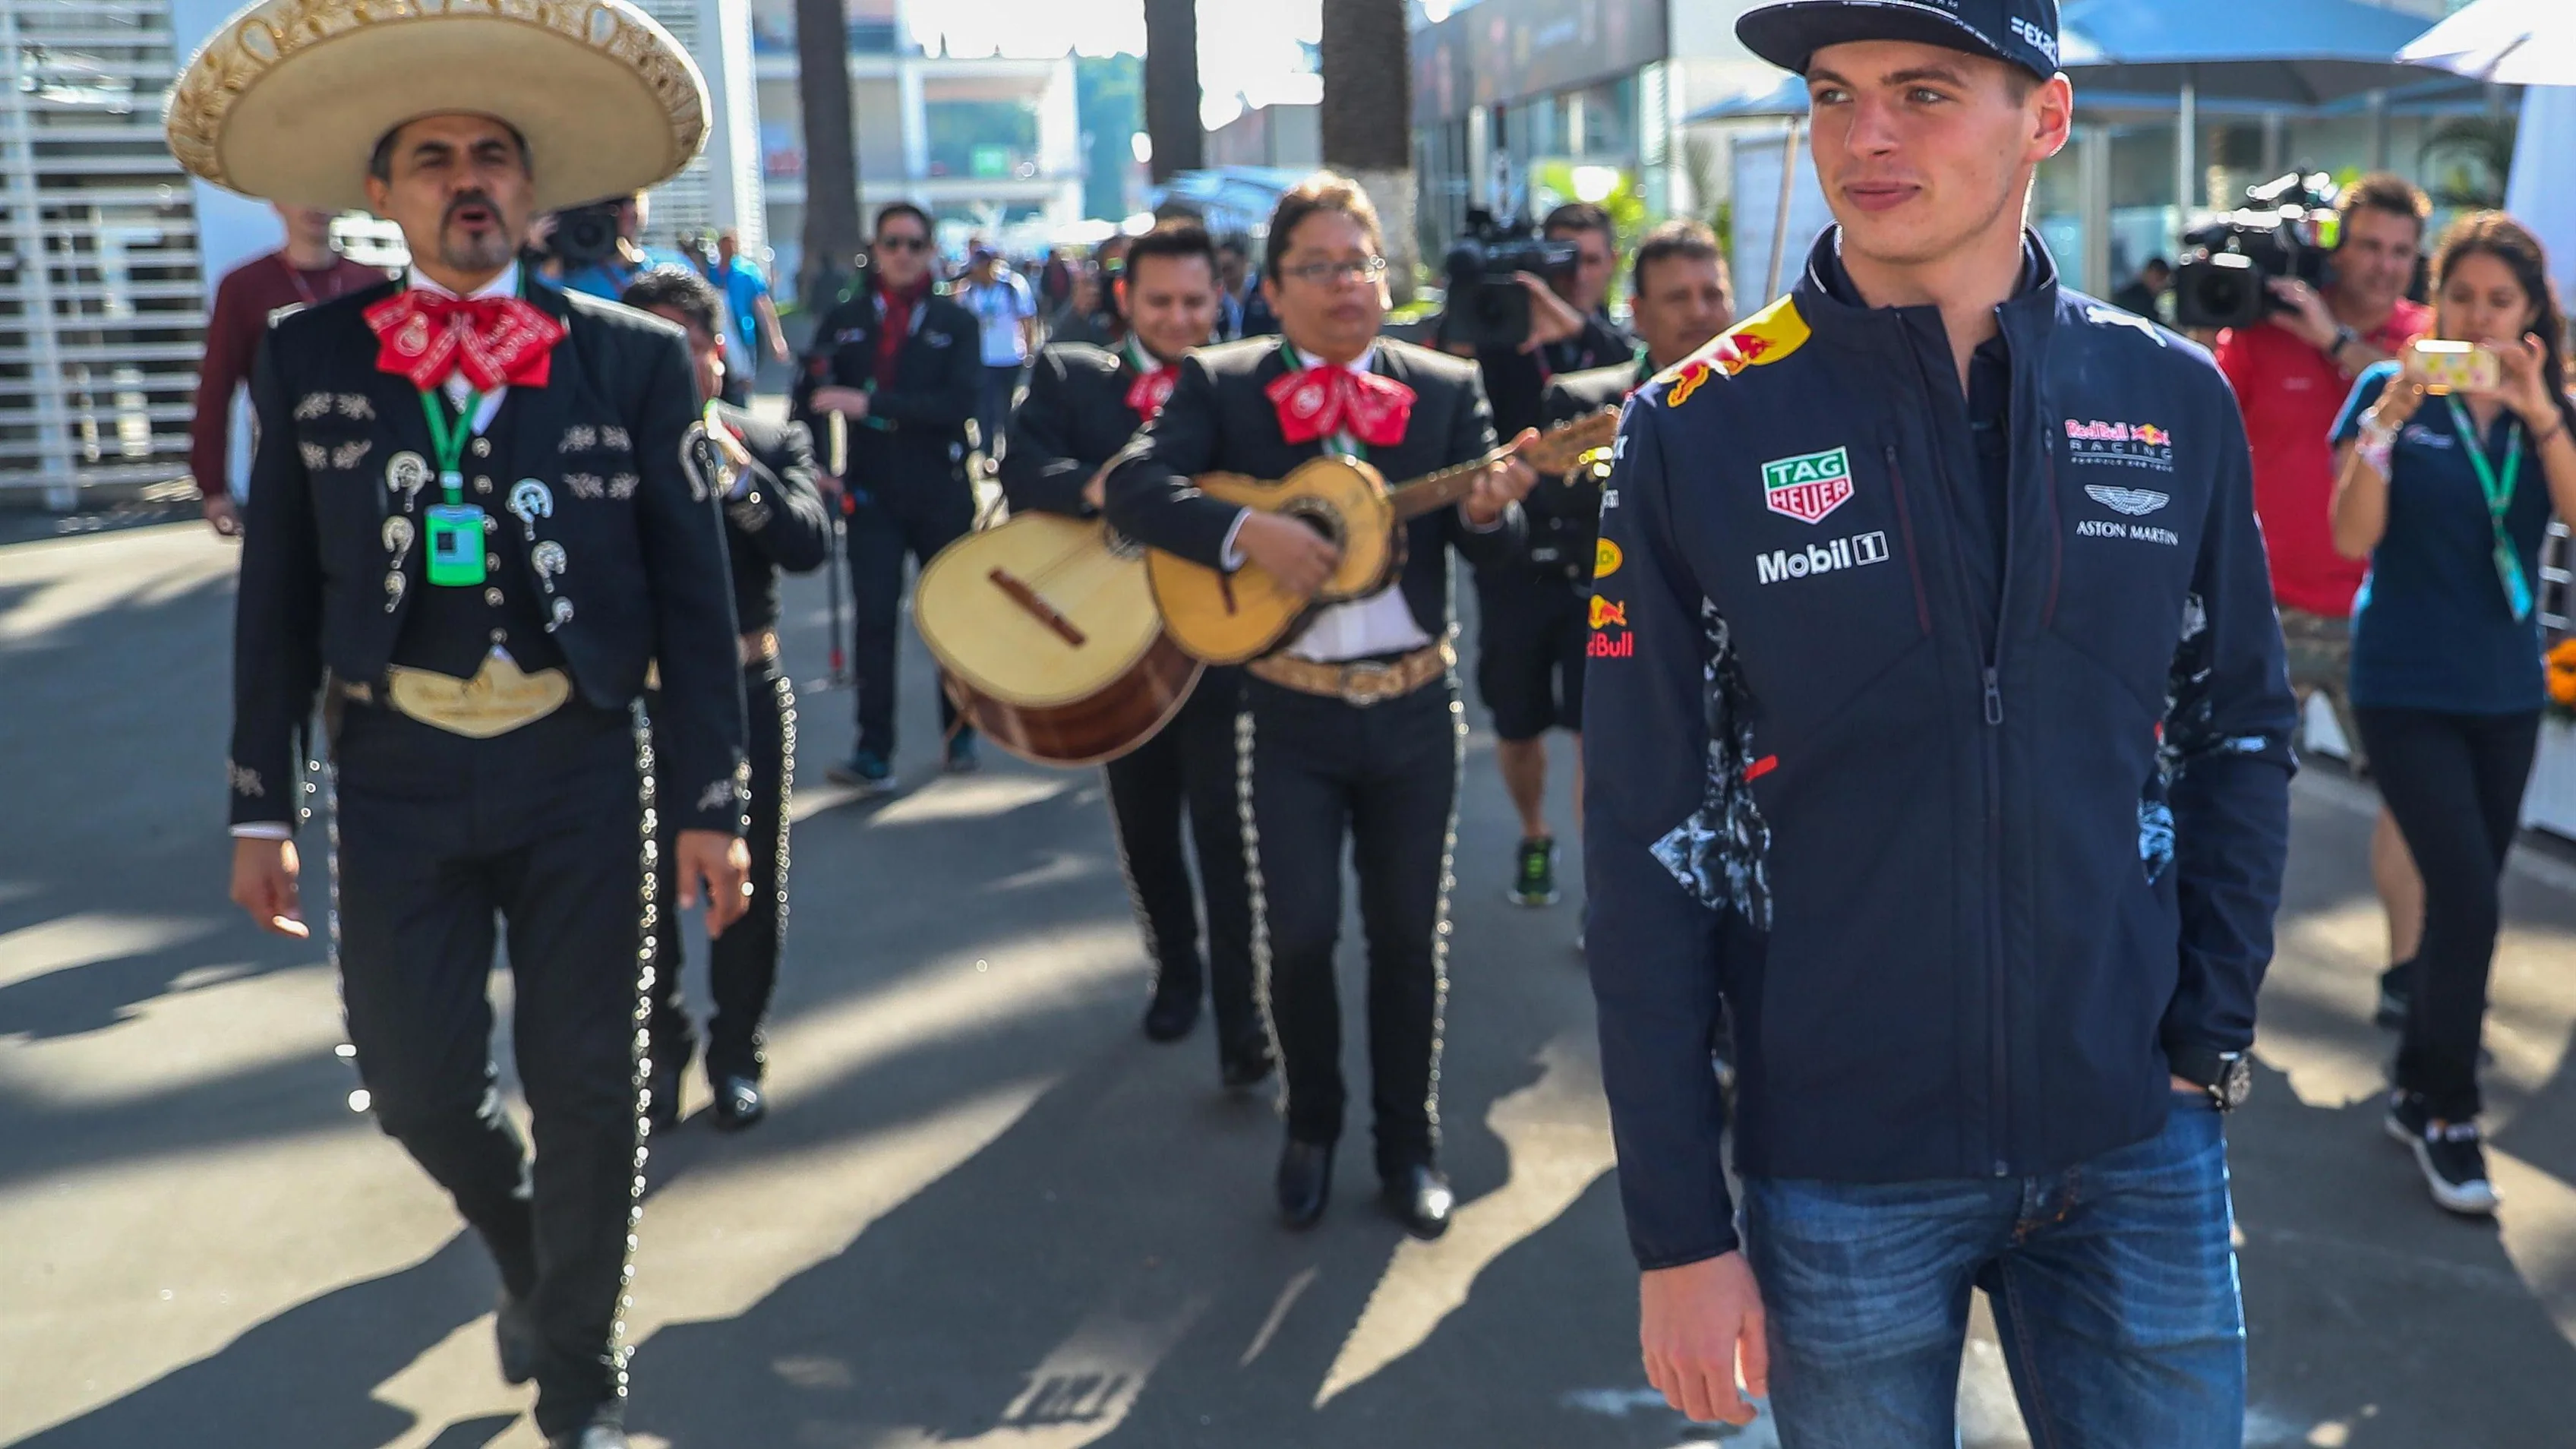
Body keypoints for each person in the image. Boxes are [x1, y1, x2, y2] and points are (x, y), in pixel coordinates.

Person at [1586, 1, 2298, 1440]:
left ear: (2043, 117)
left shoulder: (2167, 394)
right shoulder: (1694, 426)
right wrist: (1677, 1227)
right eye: (1835, 93)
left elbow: (2238, 725)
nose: (1865, 135)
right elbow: (1644, 838)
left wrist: (2200, 1035)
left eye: (1923, 90)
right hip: (1840, 1165)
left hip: (2136, 1137)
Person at [174, 1, 754, 1439]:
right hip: (395, 770)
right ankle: (521, 1247)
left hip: (578, 765)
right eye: (432, 157)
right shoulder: (313, 358)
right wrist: (262, 802)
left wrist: (713, 801)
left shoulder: (626, 354)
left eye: (492, 152)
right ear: (385, 193)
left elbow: (696, 601)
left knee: (593, 1084)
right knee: (421, 1083)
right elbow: (277, 604)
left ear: (531, 185)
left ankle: (580, 1371)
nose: (466, 176)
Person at [1105, 173, 1539, 1240]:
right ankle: (1312, 1127)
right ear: (1273, 285)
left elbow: (1495, 550)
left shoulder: (1445, 387)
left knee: (1405, 940)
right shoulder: (1222, 382)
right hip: (1289, 714)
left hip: (1411, 710)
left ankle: (1410, 1147)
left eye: (1361, 262)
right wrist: (1251, 536)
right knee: (1297, 938)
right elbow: (1134, 491)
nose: (1344, 284)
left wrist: (1489, 513)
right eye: (1319, 266)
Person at [2327, 212, 2576, 1217]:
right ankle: (2450, 1113)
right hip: (2402, 684)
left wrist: (2541, 410)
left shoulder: (2538, 408)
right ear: (2436, 299)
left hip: (2506, 692)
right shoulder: (2389, 393)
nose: (2477, 316)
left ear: (2530, 317)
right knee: (2468, 897)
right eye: (2462, 296)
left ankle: (2416, 1087)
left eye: (2499, 302)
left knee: (2469, 897)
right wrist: (2386, 422)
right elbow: (2352, 535)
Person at [998, 220, 1271, 1088]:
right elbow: (1019, 472)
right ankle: (1175, 974)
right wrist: (1111, 488)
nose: (1181, 317)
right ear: (1125, 300)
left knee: (1230, 835)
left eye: (1197, 301)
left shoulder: (1249, 384)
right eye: (1161, 301)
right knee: (1145, 821)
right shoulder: (1072, 375)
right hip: (1111, 642)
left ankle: (1243, 1016)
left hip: (1223, 638)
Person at [2215, 172, 2434, 1026]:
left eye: (2399, 252)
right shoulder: (2257, 336)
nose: (2382, 266)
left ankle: (2407, 977)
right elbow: (2203, 437)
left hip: (2378, 612)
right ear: (2335, 246)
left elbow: (2413, 394)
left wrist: (2337, 340)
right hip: (2265, 608)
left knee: (2413, 805)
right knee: (2232, 800)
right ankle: (2213, 974)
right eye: (2368, 245)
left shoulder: (2426, 339)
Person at [621, 267, 830, 1135]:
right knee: (636, 889)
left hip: (745, 689)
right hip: (630, 705)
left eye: (690, 346)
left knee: (747, 884)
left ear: (716, 355)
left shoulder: (765, 439)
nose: (676, 366)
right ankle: (659, 1054)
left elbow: (808, 542)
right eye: (653, 349)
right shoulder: (591, 456)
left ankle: (736, 1055)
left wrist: (738, 475)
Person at [1488, 219, 1736, 918]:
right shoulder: (1583, 400)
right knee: (1593, 753)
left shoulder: (1766, 395)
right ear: (1640, 313)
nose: (1700, 312)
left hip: (1736, 627)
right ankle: (1608, 896)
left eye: (1712, 293)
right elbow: (1564, 504)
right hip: (1609, 610)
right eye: (1679, 297)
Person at [1469, 200, 1637, 906]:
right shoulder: (1491, 331)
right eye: (1558, 260)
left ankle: (1600, 881)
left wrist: (1574, 327)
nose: (1572, 276)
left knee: (1594, 730)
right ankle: (1535, 831)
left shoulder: (1609, 343)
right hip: (1514, 567)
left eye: (1588, 262)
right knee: (1517, 726)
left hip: (1600, 565)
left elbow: (1641, 378)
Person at [794, 202, 984, 791]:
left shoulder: (956, 322)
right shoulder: (846, 317)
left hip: (942, 492)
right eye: (892, 242)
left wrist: (872, 406)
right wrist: (820, 467)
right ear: (875, 249)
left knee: (951, 617)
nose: (903, 254)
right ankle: (872, 750)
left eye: (915, 244)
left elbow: (961, 406)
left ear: (930, 252)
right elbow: (813, 396)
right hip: (872, 495)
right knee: (873, 623)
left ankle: (961, 727)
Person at [187, 203, 388, 536]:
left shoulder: (371, 284)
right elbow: (216, 386)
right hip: (283, 468)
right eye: (301, 192)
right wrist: (213, 488)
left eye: (323, 190)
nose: (315, 203)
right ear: (278, 201)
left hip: (366, 470)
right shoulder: (245, 286)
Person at [960, 245, 1040, 459]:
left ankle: (1009, 453)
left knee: (1006, 410)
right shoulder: (970, 291)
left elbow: (1027, 320)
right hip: (983, 360)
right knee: (984, 411)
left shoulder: (1012, 287)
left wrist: (1030, 352)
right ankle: (987, 455)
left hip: (1010, 358)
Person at [552, 191, 693, 301]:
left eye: (633, 199)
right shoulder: (575, 279)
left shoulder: (675, 265)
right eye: (616, 203)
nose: (628, 210)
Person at [706, 230, 792, 407]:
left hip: (743, 336)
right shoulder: (710, 273)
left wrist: (776, 339)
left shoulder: (747, 273)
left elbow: (763, 306)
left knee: (742, 382)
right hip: (716, 337)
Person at [2111, 254, 2171, 321]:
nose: (2160, 285)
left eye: (2162, 280)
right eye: (2158, 278)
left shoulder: (2149, 298)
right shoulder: (2135, 297)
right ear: (2148, 273)